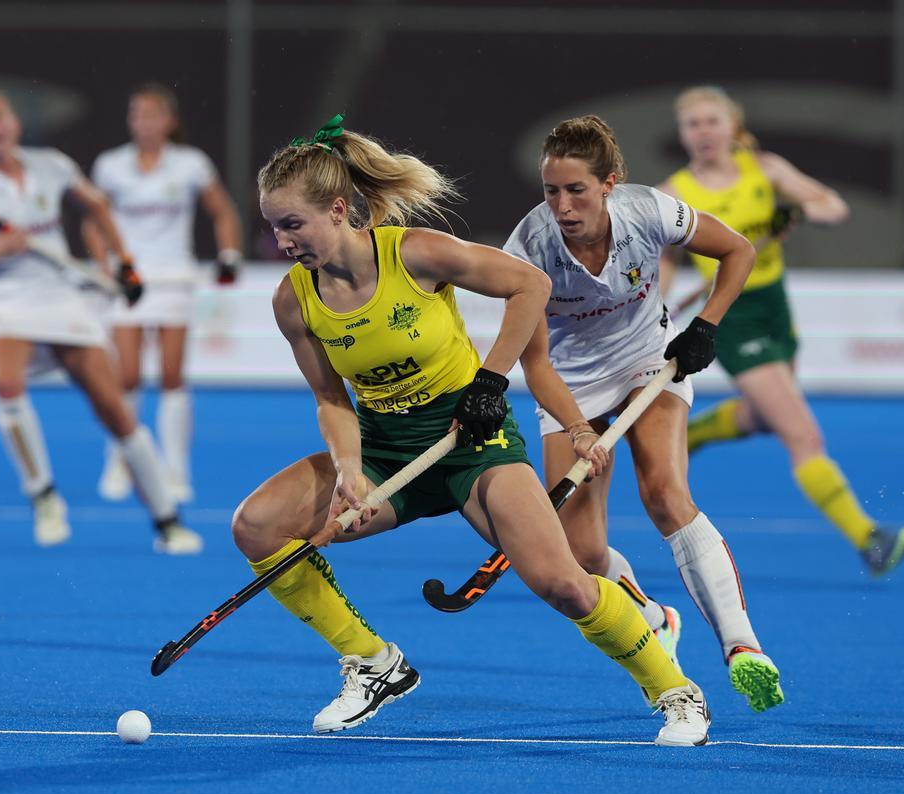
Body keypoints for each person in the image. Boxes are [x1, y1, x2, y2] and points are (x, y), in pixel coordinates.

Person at [230, 115, 711, 745]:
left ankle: (677, 692)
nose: (282, 240)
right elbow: (331, 398)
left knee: (564, 584)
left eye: (292, 224)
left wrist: (490, 381)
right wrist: (349, 471)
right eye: (274, 227)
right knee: (257, 524)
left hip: (472, 443)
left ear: (340, 209)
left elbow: (529, 286)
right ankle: (375, 664)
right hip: (384, 451)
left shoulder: (414, 253)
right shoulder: (293, 300)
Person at [507, 114, 783, 714]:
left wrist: (705, 326)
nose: (562, 205)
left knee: (664, 494)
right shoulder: (527, 250)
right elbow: (536, 368)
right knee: (581, 555)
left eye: (576, 189)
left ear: (609, 184)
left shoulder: (648, 211)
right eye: (551, 191)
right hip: (568, 384)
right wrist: (580, 430)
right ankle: (655, 616)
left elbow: (738, 250)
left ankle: (743, 646)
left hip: (647, 362)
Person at [658, 86, 904, 577]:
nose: (704, 132)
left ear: (732, 125)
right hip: (729, 314)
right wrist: (659, 305)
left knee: (763, 416)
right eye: (693, 124)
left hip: (775, 307)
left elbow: (833, 206)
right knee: (802, 434)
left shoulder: (766, 169)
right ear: (683, 135)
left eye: (712, 121)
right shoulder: (675, 194)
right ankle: (869, 538)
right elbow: (666, 258)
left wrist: (799, 211)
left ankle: (690, 434)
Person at [0, 87, 202, 555]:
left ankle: (167, 521)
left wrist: (124, 264)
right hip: (7, 301)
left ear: (14, 124)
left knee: (117, 412)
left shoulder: (51, 164)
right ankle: (43, 495)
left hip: (62, 297)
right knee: (8, 387)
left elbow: (97, 207)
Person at [88, 84, 243, 504]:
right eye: (137, 114)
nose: (144, 122)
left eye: (153, 114)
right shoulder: (110, 165)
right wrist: (106, 267)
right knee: (127, 377)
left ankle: (175, 472)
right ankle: (120, 461)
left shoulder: (191, 164)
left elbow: (222, 210)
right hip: (129, 279)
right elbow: (93, 221)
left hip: (174, 278)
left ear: (170, 121)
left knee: (172, 378)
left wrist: (229, 254)